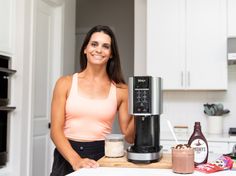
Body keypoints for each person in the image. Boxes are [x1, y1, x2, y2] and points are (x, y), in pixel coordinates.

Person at [50, 25, 134, 176]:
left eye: (105, 46)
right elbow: (55, 131)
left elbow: (129, 136)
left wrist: (142, 111)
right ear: (85, 49)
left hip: (101, 156)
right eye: (94, 44)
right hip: (67, 155)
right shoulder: (65, 83)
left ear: (111, 54)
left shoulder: (121, 90)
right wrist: (76, 160)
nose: (99, 50)